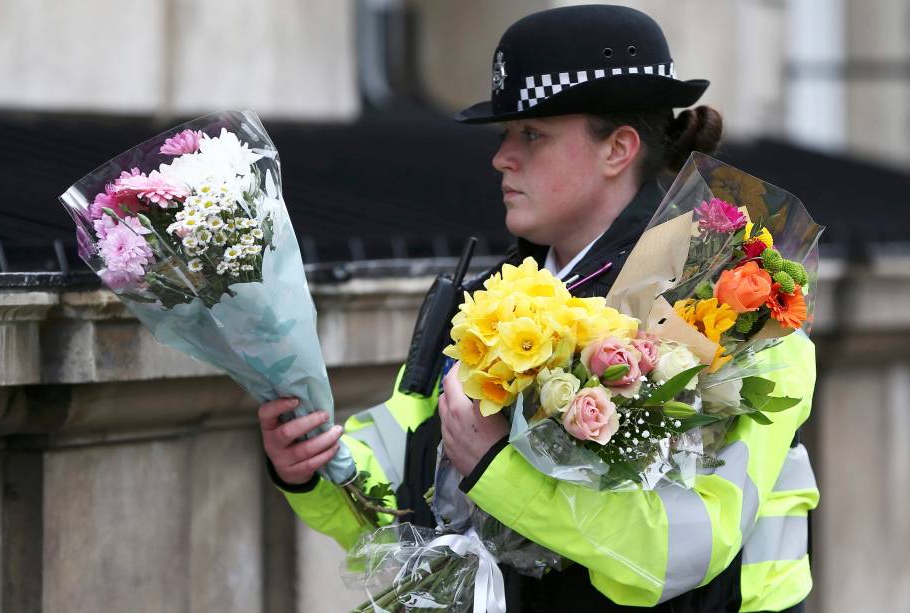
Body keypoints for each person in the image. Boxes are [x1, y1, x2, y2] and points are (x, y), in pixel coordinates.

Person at [258, 5, 818, 612]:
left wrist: (498, 471)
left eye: (533, 134)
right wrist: (315, 465)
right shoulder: (492, 304)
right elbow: (400, 490)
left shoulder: (729, 307)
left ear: (618, 149)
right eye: (506, 135)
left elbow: (679, 551)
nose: (502, 157)